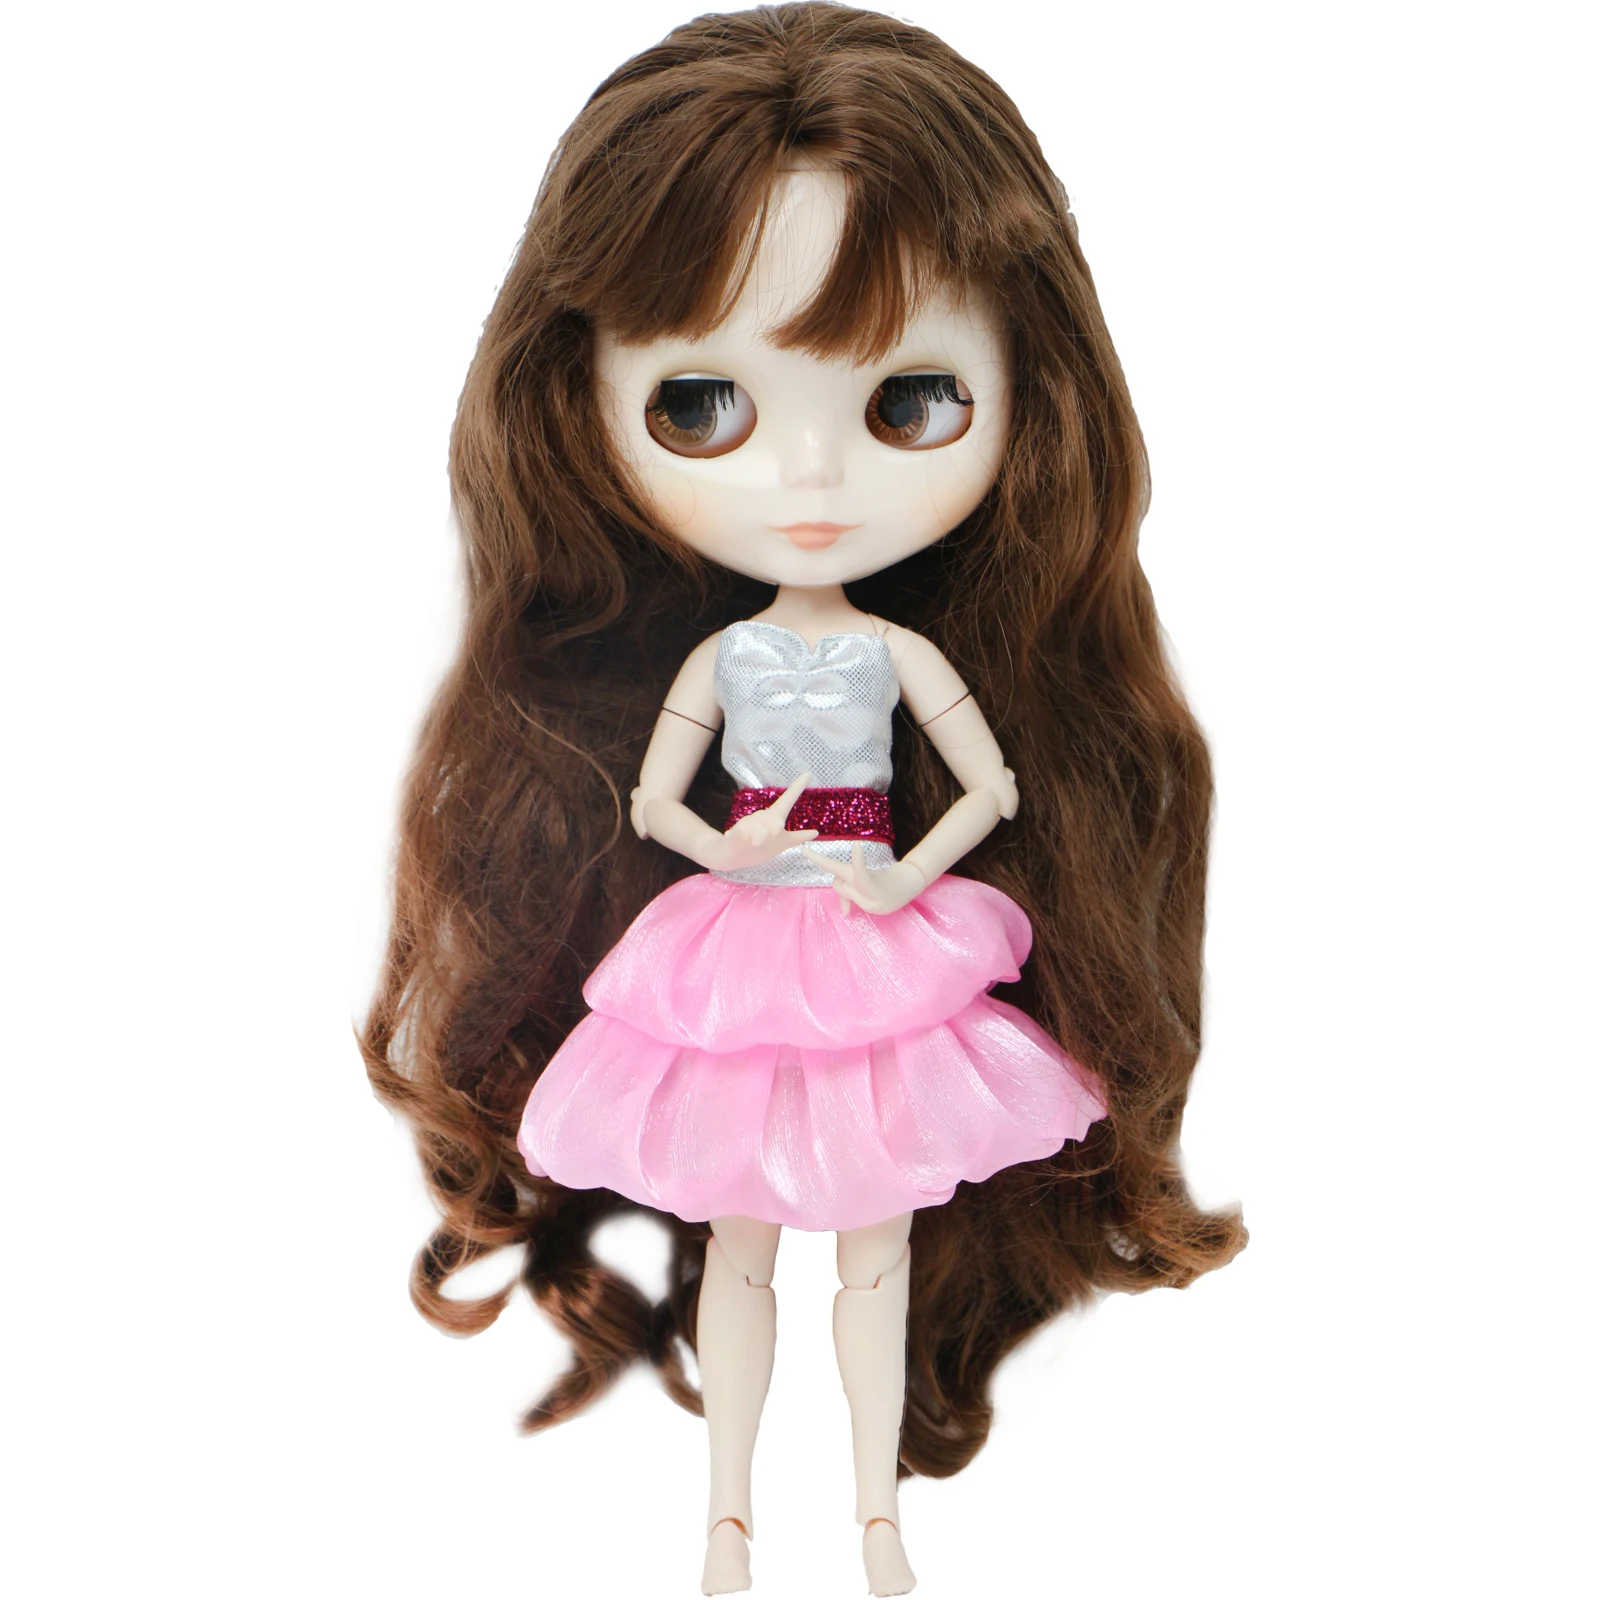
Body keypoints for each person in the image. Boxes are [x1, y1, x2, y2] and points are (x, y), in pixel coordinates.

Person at [361, 6, 1245, 1595]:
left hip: (873, 916)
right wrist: (729, 841)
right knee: (745, 1237)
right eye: (704, 406)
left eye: (910, 401)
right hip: (749, 918)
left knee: (874, 1242)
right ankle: (728, 1514)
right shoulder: (727, 656)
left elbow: (989, 784)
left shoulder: (903, 651)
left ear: (1027, 393)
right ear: (582, 405)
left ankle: (874, 1513)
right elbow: (658, 803)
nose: (813, 481)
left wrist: (907, 876)